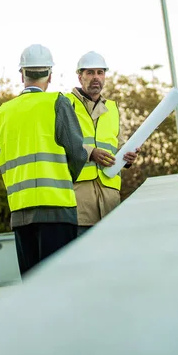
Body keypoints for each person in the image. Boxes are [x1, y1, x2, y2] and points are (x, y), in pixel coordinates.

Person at [0, 44, 87, 276]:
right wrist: (66, 178)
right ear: (50, 75)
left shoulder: (2, 113)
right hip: (57, 209)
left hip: (20, 212)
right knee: (59, 284)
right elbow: (77, 152)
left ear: (22, 74)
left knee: (33, 290)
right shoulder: (58, 102)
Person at [66, 51, 140, 235]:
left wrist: (128, 157)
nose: (96, 77)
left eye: (100, 72)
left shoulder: (113, 109)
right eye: (90, 72)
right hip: (79, 200)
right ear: (79, 76)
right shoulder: (65, 104)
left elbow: (118, 147)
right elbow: (58, 143)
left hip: (110, 202)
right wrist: (91, 153)